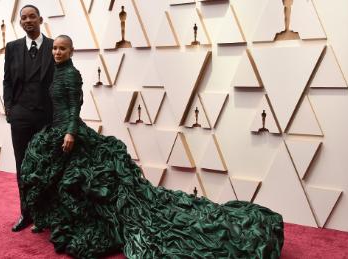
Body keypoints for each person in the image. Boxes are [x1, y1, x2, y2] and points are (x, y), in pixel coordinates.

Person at [20, 35, 284, 258]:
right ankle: (62, 220)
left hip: (69, 133)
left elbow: (75, 106)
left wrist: (70, 133)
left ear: (71, 51)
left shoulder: (72, 74)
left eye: (62, 48)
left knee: (85, 182)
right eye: (55, 48)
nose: (57, 52)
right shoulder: (57, 72)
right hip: (56, 131)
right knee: (60, 180)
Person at [3, 4, 54, 232]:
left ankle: (48, 213)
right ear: (20, 22)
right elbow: (7, 80)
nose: (27, 21)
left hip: (46, 116)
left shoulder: (55, 46)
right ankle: (26, 213)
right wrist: (9, 109)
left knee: (47, 165)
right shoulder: (12, 48)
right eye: (23, 18)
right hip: (20, 116)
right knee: (22, 165)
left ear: (40, 19)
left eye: (32, 16)